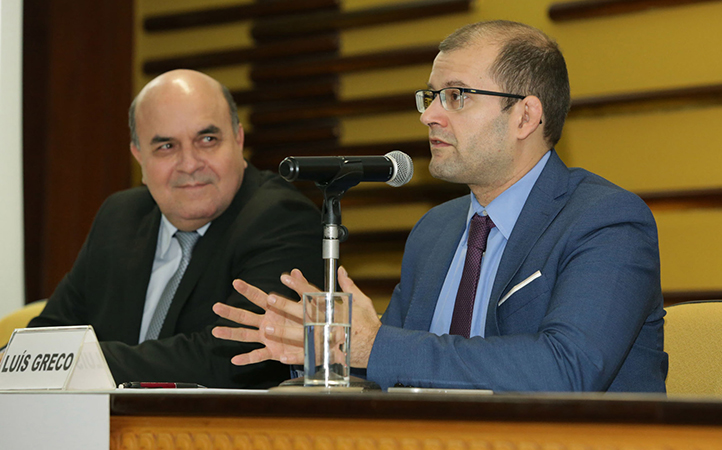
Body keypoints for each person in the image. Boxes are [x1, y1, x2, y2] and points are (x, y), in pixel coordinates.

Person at [212, 21, 668, 392]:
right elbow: (393, 369)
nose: (430, 115)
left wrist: (371, 347)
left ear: (526, 117)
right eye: (430, 96)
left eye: (456, 95)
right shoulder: (436, 230)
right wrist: (321, 351)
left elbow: (565, 370)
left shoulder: (606, 222)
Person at [27, 69, 324, 388]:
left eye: (207, 140)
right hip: (98, 430)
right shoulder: (119, 218)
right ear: (139, 156)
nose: (190, 163)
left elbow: (230, 358)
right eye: (166, 146)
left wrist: (82, 362)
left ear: (238, 139)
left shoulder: (282, 218)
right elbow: (51, 332)